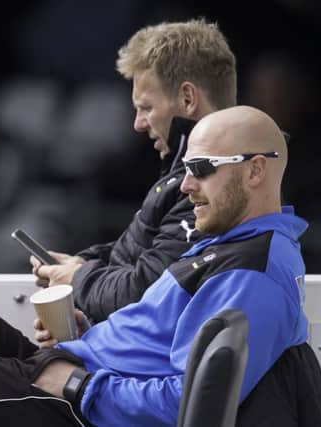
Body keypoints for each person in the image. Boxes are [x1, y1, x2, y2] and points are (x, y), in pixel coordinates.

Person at [0, 105, 312, 427]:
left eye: (203, 168)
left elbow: (185, 405)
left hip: (77, 405)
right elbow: (154, 339)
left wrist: (77, 384)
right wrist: (84, 334)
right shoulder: (233, 240)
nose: (186, 185)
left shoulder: (253, 270)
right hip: (74, 365)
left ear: (255, 171)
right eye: (186, 168)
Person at [31, 18, 237, 323]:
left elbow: (145, 293)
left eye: (147, 107)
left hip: (137, 366)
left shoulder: (212, 183)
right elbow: (146, 255)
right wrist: (86, 262)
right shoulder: (186, 172)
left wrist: (78, 279)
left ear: (187, 98)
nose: (138, 124)